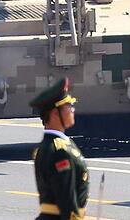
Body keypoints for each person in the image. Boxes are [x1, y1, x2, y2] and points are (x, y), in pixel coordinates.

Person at [31, 77, 89, 220]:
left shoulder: (47, 146)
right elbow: (67, 201)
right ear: (55, 113)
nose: (73, 110)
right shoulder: (60, 151)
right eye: (69, 106)